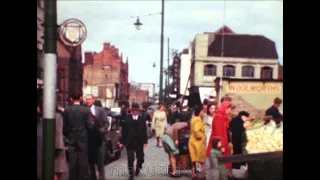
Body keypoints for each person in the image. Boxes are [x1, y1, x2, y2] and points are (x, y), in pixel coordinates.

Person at [63, 91, 94, 180]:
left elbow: (64, 128)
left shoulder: (67, 111)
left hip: (72, 139)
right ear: (81, 98)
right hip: (83, 140)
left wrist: (69, 135)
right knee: (83, 163)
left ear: (71, 99)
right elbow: (90, 126)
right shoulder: (85, 110)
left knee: (72, 163)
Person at [120, 103, 148, 180]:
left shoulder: (141, 118)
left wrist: (145, 141)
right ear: (131, 110)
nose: (135, 111)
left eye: (136, 110)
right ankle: (131, 174)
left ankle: (138, 167)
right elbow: (124, 131)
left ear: (138, 110)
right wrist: (122, 142)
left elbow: (144, 131)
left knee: (140, 157)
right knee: (130, 158)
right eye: (133, 110)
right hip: (130, 141)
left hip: (139, 141)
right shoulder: (127, 118)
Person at [207, 101, 235, 177]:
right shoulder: (219, 117)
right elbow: (218, 132)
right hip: (218, 142)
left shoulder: (223, 117)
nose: (230, 111)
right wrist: (220, 145)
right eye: (229, 108)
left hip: (223, 141)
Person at [85, 94, 110, 180]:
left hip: (99, 140)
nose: (87, 101)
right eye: (86, 99)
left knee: (100, 162)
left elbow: (107, 123)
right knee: (90, 163)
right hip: (89, 140)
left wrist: (101, 131)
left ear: (93, 100)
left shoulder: (101, 110)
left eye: (89, 99)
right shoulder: (84, 110)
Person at [188, 105, 206, 180]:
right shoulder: (198, 119)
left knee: (193, 159)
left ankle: (193, 174)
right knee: (202, 159)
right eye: (202, 111)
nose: (203, 113)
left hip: (192, 140)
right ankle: (203, 175)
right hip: (198, 142)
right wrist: (200, 136)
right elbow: (196, 130)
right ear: (200, 112)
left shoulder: (193, 119)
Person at [55, 106, 68, 180]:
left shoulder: (58, 116)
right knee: (58, 170)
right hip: (58, 145)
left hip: (57, 145)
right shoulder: (58, 116)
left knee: (58, 170)